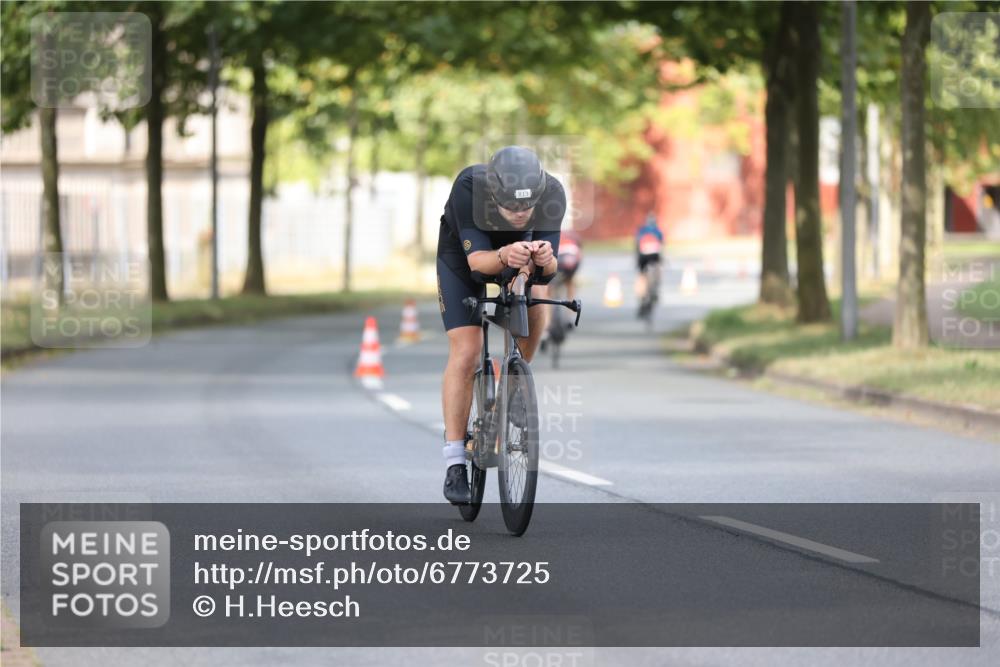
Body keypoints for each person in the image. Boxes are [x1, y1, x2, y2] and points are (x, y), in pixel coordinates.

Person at [436, 146, 566, 503]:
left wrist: (541, 261)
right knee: (467, 348)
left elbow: (550, 270)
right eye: (512, 207)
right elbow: (478, 262)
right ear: (494, 195)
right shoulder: (469, 187)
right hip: (464, 259)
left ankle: (515, 384)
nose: (521, 214)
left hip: (516, 256)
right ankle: (455, 462)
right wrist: (504, 255)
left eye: (527, 207)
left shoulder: (552, 192)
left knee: (536, 298)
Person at [635, 211, 664, 306]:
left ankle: (641, 293)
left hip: (643, 255)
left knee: (642, 274)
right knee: (658, 269)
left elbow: (637, 244)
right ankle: (655, 288)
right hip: (654, 255)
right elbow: (661, 245)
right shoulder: (658, 231)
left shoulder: (642, 230)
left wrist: (637, 258)